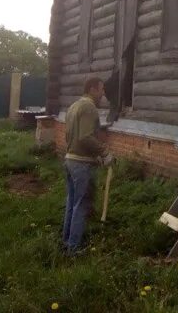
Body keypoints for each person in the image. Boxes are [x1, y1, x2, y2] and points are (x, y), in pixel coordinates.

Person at [62, 77, 112, 254]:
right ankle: (73, 249)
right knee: (81, 205)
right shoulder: (89, 107)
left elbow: (72, 137)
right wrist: (104, 152)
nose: (103, 94)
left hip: (70, 160)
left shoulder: (74, 106)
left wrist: (95, 156)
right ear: (92, 89)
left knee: (72, 203)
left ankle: (67, 242)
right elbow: (85, 137)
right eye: (101, 90)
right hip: (81, 164)